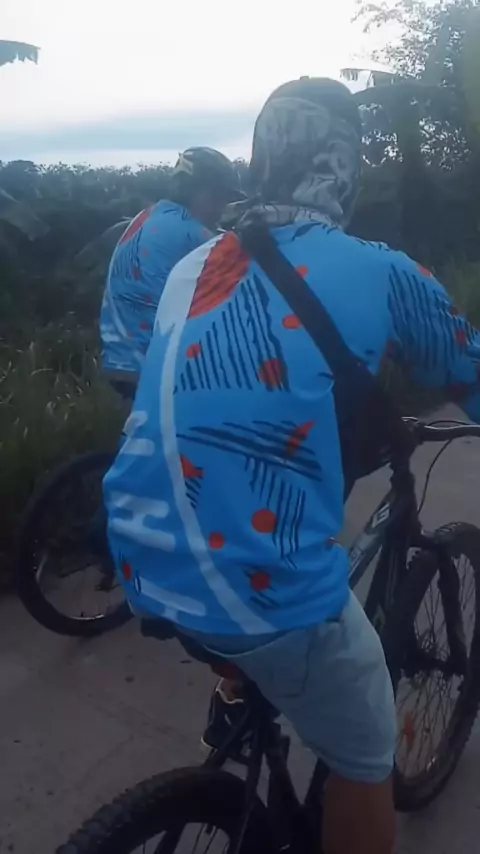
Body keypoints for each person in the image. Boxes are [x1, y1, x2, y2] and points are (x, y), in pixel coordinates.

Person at [102, 77, 480, 854]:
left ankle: (232, 691)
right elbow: (466, 368)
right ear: (346, 165)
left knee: (236, 575)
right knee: (366, 751)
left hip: (136, 549)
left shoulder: (193, 265)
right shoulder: (380, 270)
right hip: (257, 591)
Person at [99, 147, 243, 397]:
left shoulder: (149, 216)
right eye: (216, 196)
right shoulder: (194, 234)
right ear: (189, 190)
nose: (221, 207)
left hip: (119, 360)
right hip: (154, 368)